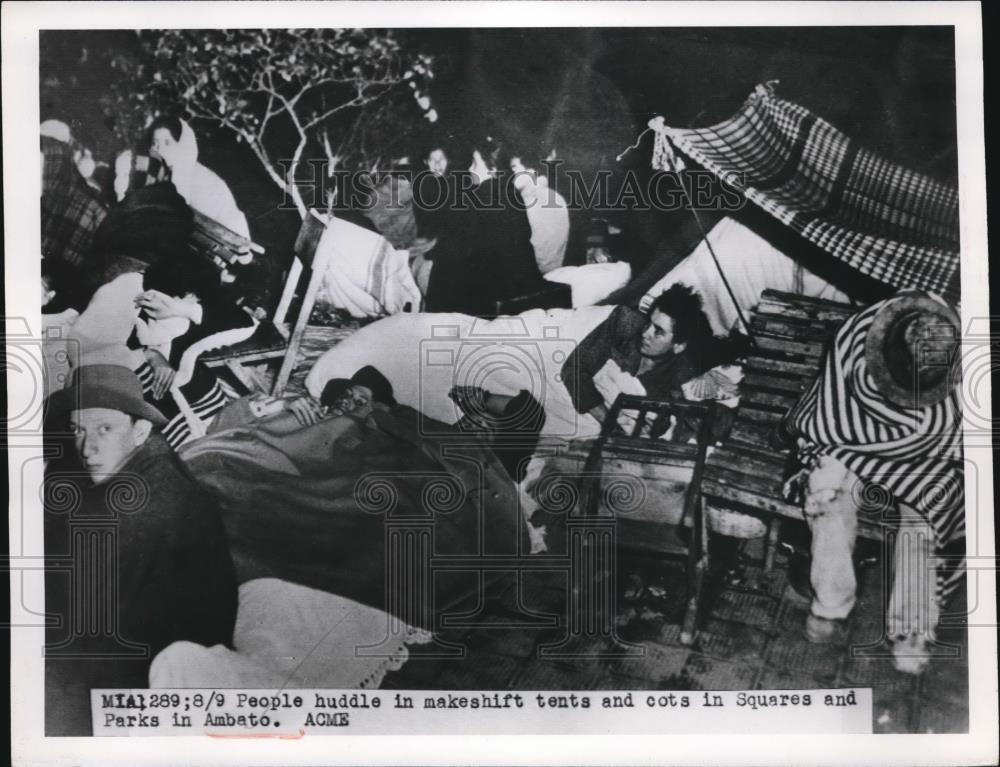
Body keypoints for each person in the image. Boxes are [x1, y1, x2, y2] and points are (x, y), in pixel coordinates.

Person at [43, 364, 238, 736]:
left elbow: (79, 630)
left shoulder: (141, 505)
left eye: (105, 429)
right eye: (78, 430)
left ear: (140, 430)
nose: (88, 447)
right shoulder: (146, 458)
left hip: (142, 672)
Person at [780, 291, 964, 675]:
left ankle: (912, 628)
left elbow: (959, 435)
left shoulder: (966, 350)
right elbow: (828, 412)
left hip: (924, 451)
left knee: (927, 518)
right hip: (846, 436)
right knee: (828, 496)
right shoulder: (859, 333)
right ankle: (831, 605)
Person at [561, 283, 717, 427]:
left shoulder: (682, 371)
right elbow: (573, 370)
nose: (646, 333)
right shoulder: (625, 323)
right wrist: (611, 425)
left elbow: (677, 419)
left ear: (678, 346)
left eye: (658, 331)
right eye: (649, 323)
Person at [423, 141, 546, 316]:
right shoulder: (511, 192)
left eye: (474, 164)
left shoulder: (478, 198)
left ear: (492, 168)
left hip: (489, 300)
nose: (470, 170)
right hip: (523, 286)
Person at [148, 115, 250, 239]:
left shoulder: (191, 175)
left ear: (181, 145)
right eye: (155, 143)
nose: (159, 149)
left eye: (167, 143)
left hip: (225, 241)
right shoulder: (171, 173)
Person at [510, 151, 570, 274]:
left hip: (543, 271)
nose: (512, 173)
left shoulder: (540, 198)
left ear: (530, 170)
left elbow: (543, 243)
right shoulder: (543, 195)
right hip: (550, 269)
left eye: (514, 167)